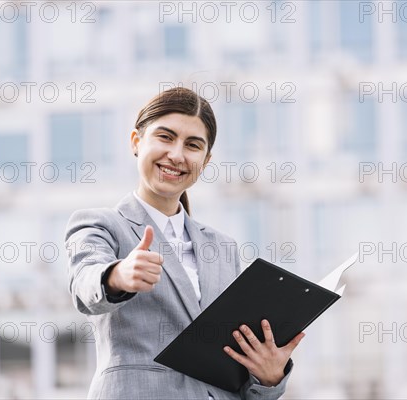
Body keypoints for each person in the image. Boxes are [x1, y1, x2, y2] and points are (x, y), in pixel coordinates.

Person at [64, 87, 305, 399]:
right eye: (165, 137)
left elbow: (232, 372)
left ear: (204, 161)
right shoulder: (101, 224)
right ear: (137, 142)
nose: (176, 155)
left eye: (192, 145)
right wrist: (117, 276)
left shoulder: (222, 248)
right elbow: (84, 283)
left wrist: (269, 377)